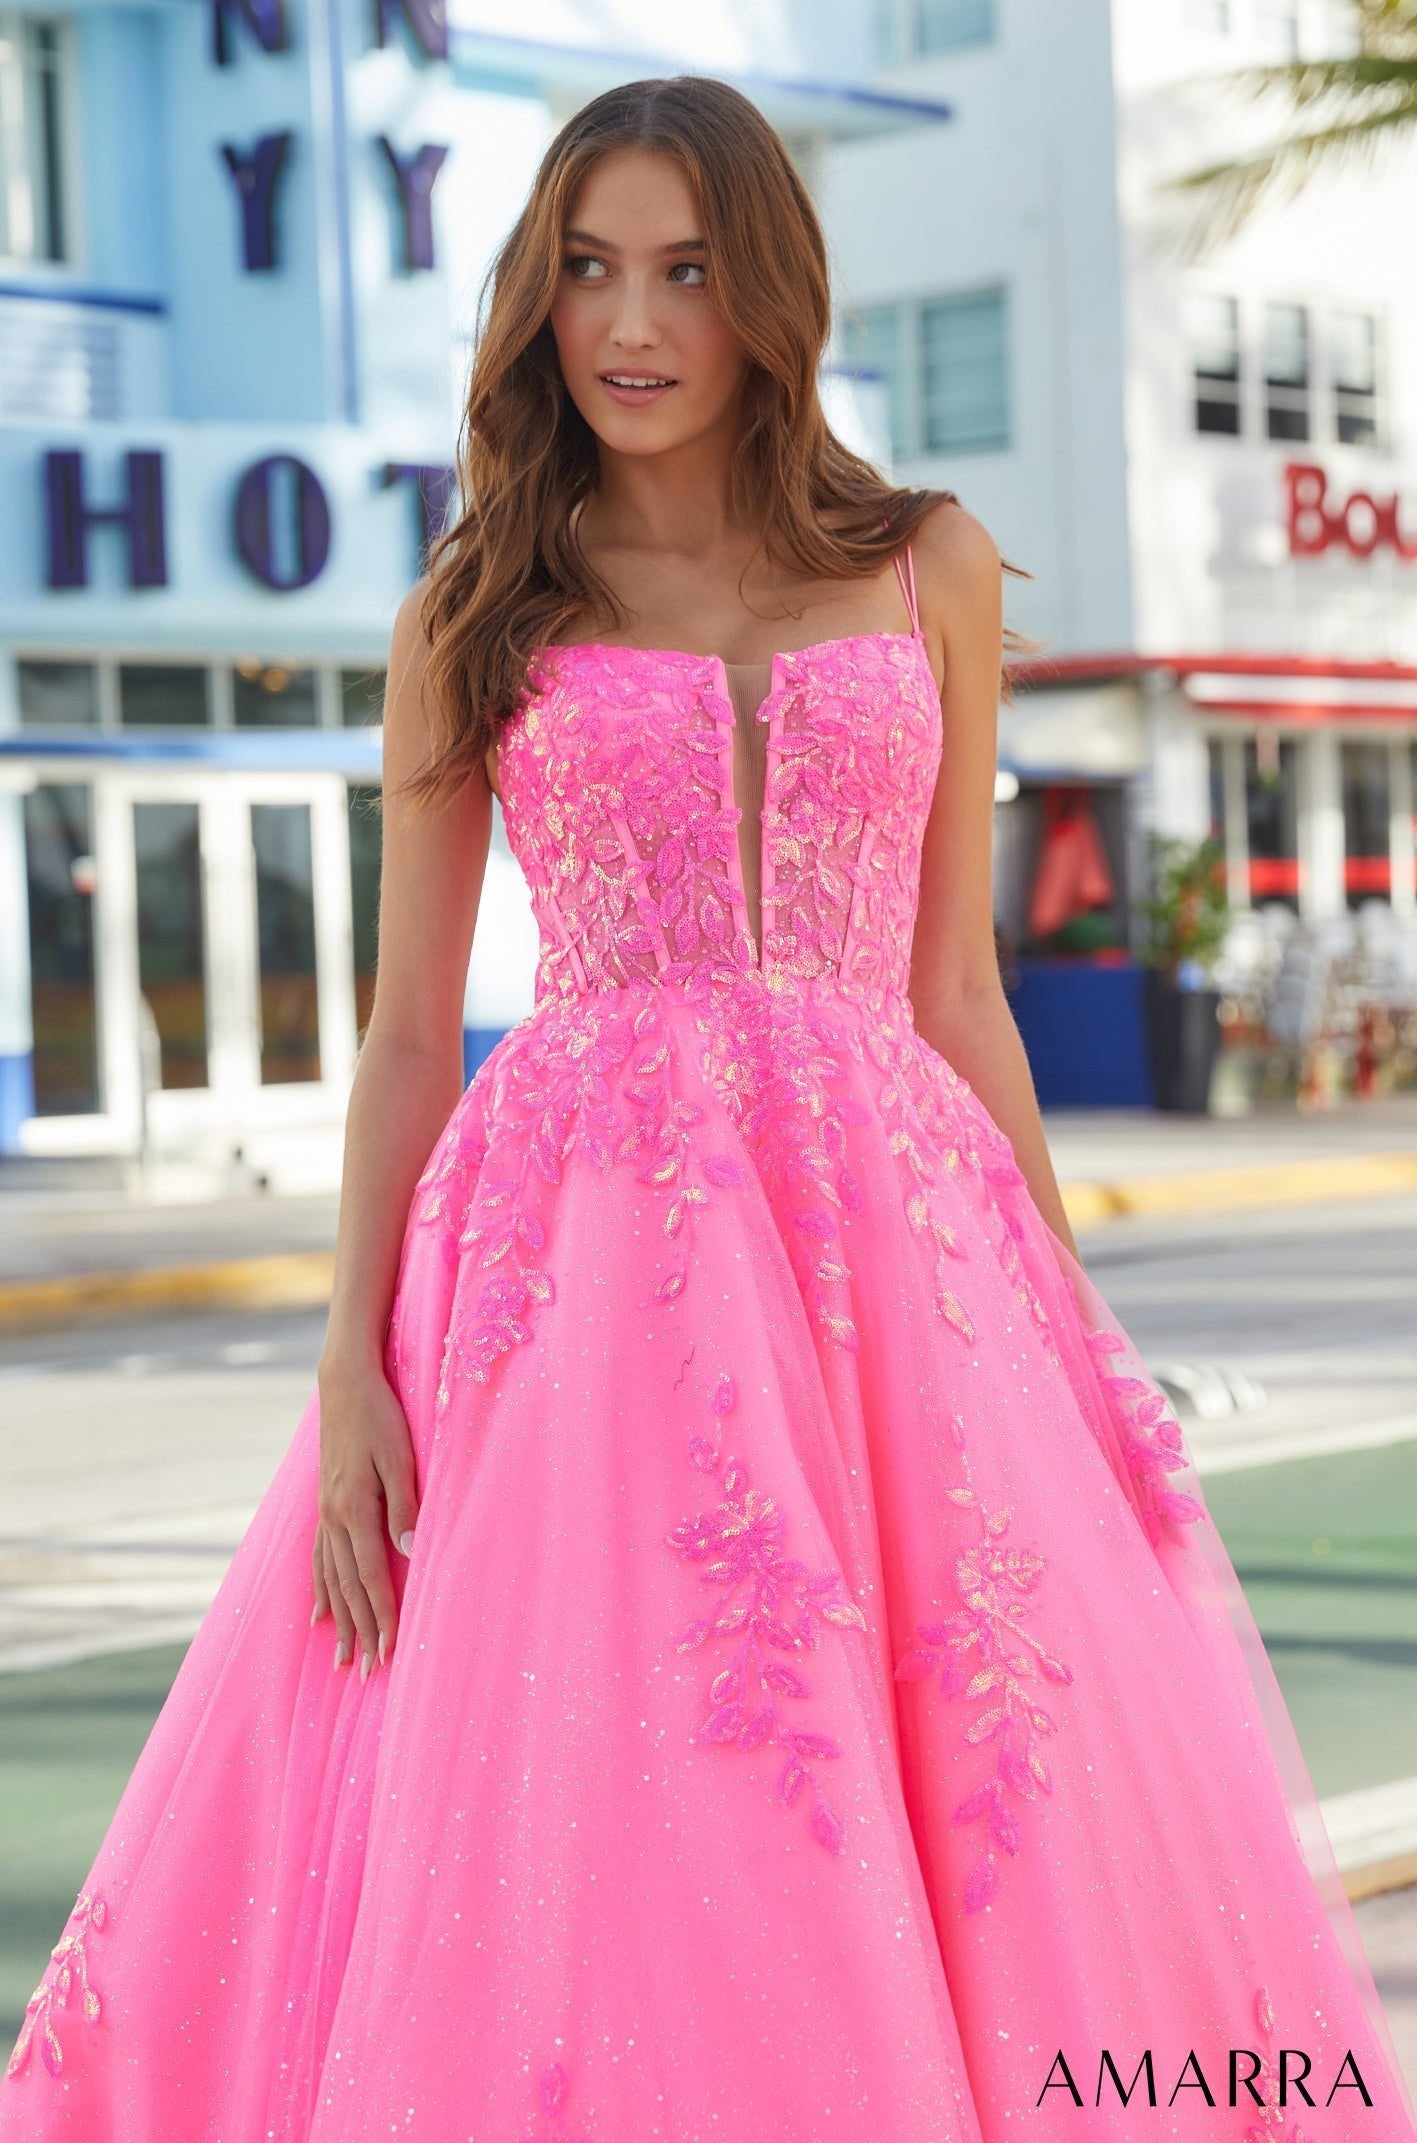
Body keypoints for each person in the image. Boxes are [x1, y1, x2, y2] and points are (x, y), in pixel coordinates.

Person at [2, 74, 1413, 2143]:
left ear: (769, 292)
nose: (630, 321)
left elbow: (954, 989)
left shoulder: (925, 562)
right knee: (626, 1775)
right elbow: (407, 1032)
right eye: (584, 270)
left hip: (894, 1276)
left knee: (986, 1781)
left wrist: (1062, 1310)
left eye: (681, 268)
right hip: (581, 1280)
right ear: (536, 301)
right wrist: (345, 1365)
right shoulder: (478, 603)